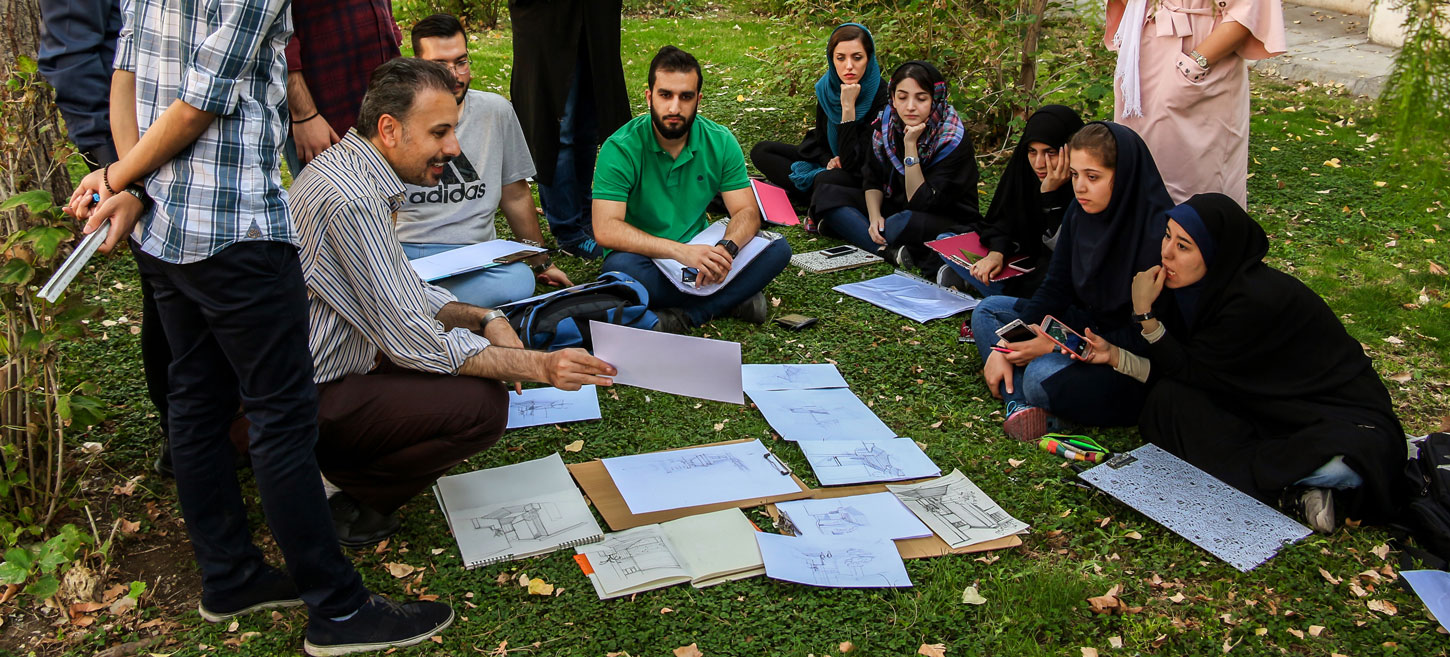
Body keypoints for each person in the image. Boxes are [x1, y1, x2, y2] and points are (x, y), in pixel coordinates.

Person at [67, 2, 452, 654]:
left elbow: (126, 70)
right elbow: (202, 101)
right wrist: (116, 177)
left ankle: (231, 574)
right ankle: (338, 608)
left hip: (163, 224)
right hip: (234, 227)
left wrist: (132, 180)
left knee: (195, 393)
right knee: (282, 415)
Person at [289, 57, 617, 548]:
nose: (454, 148)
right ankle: (335, 488)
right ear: (389, 129)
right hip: (303, 397)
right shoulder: (353, 200)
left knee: (467, 366)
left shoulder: (354, 173)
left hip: (318, 374)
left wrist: (484, 318)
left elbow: (405, 287)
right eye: (440, 131)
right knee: (480, 407)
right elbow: (413, 343)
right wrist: (542, 366)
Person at [1073, 194, 1407, 533]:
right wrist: (1114, 356)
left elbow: (1190, 369)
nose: (1167, 252)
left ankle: (1296, 483)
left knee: (1348, 463)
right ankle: (1295, 487)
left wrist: (1146, 317)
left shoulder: (1253, 300)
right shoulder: (1187, 290)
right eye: (1167, 235)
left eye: (1184, 246)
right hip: (1256, 407)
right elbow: (1187, 376)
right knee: (1167, 403)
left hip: (1331, 415)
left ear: (1217, 252)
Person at [40, 0, 176, 479]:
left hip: (200, 144)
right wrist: (121, 171)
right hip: (129, 152)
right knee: (167, 292)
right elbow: (73, 57)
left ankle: (222, 422)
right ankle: (181, 435)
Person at [970, 122, 1172, 441]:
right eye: (1075, 175)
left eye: (1093, 177)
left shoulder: (1158, 238)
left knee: (1039, 376)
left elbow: (1142, 338)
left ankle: (1022, 395)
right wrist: (1005, 344)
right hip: (1076, 326)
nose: (1079, 188)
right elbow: (1056, 286)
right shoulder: (1080, 212)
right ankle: (1021, 407)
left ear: (1124, 177)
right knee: (991, 311)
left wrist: (1055, 344)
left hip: (1118, 359)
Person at [592, 46, 792, 333]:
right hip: (644, 256)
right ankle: (730, 301)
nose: (674, 107)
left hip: (703, 249)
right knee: (622, 273)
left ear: (698, 99)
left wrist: (727, 249)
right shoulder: (620, 147)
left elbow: (746, 211)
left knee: (778, 249)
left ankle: (685, 314)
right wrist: (681, 252)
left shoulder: (720, 141)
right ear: (649, 97)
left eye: (685, 97)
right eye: (665, 95)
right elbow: (606, 229)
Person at [396, 13, 571, 309]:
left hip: (476, 254)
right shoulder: (395, 121)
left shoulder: (495, 112)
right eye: (440, 66)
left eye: (461, 62)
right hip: (410, 253)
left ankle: (416, 310)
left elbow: (515, 195)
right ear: (418, 67)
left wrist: (542, 264)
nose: (454, 75)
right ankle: (421, 306)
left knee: (519, 280)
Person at [1106, 0, 1286, 205]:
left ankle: (1195, 234)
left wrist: (1195, 63)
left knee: (1199, 181)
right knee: (1136, 163)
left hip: (1202, 58)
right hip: (1142, 56)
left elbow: (1249, 11)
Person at [812, 60, 981, 270]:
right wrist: (874, 217)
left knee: (897, 224)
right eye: (902, 97)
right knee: (826, 193)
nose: (910, 107)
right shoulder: (887, 123)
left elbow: (920, 201)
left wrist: (910, 146)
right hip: (897, 204)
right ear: (892, 97)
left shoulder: (951, 138)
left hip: (943, 216)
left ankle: (851, 228)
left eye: (921, 98)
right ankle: (887, 251)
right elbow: (871, 178)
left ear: (935, 99)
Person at [509, 0, 631, 259]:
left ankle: (587, 218)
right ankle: (568, 231)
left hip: (595, 18)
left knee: (589, 124)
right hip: (547, 19)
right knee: (557, 126)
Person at [935, 105, 1084, 298]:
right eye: (1032, 151)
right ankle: (979, 281)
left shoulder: (1085, 187)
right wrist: (997, 252)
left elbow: (1068, 253)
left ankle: (985, 289)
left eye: (1050, 153)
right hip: (1017, 264)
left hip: (1053, 279)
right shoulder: (1024, 173)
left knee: (995, 308)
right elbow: (1003, 220)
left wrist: (1050, 197)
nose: (1039, 163)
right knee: (945, 239)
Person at [749, 23, 887, 208]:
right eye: (840, 58)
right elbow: (821, 141)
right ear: (832, 59)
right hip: (831, 166)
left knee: (826, 180)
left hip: (862, 175)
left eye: (857, 58)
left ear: (869, 59)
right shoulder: (827, 88)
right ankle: (818, 196)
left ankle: (812, 195)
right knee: (762, 151)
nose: (849, 66)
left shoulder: (882, 96)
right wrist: (827, 160)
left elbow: (855, 164)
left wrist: (848, 109)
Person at [284, 0, 402, 170]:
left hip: (386, 109)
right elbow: (274, 37)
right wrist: (304, 114)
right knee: (335, 196)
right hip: (325, 121)